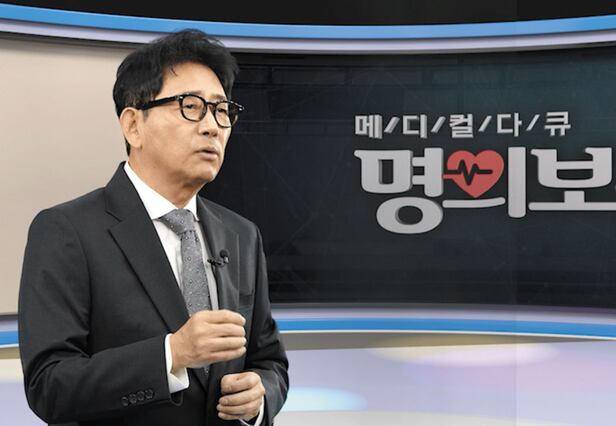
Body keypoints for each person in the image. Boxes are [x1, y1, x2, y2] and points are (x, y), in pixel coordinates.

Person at [18, 29, 288, 426]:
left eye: (222, 110)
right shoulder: (66, 231)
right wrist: (171, 354)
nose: (213, 127)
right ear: (133, 125)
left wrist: (260, 394)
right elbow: (49, 385)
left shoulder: (241, 234)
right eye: (191, 106)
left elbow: (270, 361)